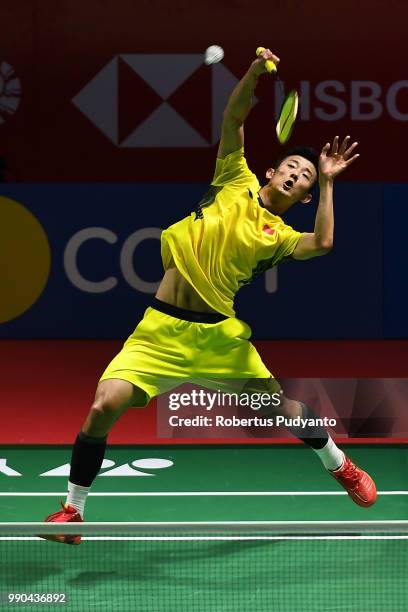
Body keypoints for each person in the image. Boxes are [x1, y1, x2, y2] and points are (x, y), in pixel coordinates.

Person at [42, 49, 376, 545]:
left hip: (219, 339)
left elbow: (322, 243)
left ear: (305, 195)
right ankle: (72, 514)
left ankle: (339, 463)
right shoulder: (232, 179)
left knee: (279, 410)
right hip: (158, 331)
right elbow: (234, 116)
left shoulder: (279, 236)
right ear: (269, 171)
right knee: (102, 404)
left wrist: (328, 181)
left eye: (304, 176)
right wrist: (256, 71)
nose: (294, 174)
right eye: (290, 166)